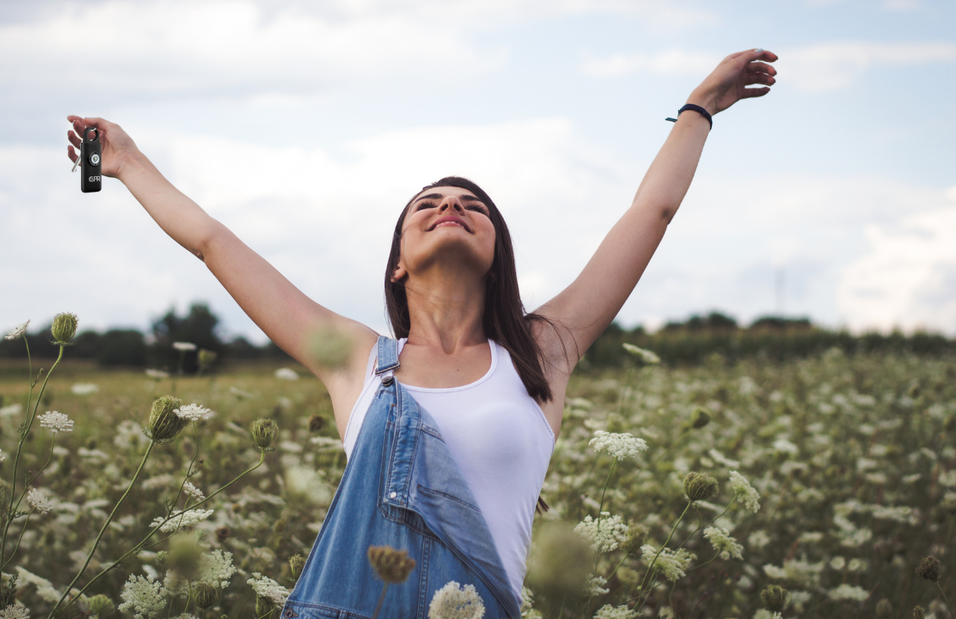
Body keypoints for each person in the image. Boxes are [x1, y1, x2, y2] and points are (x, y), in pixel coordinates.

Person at [67, 48, 777, 618]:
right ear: (399, 263)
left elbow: (648, 213)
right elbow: (215, 242)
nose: (451, 207)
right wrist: (128, 163)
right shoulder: (355, 361)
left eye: (473, 206)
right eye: (428, 204)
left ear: (497, 247)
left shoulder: (542, 352)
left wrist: (698, 108)